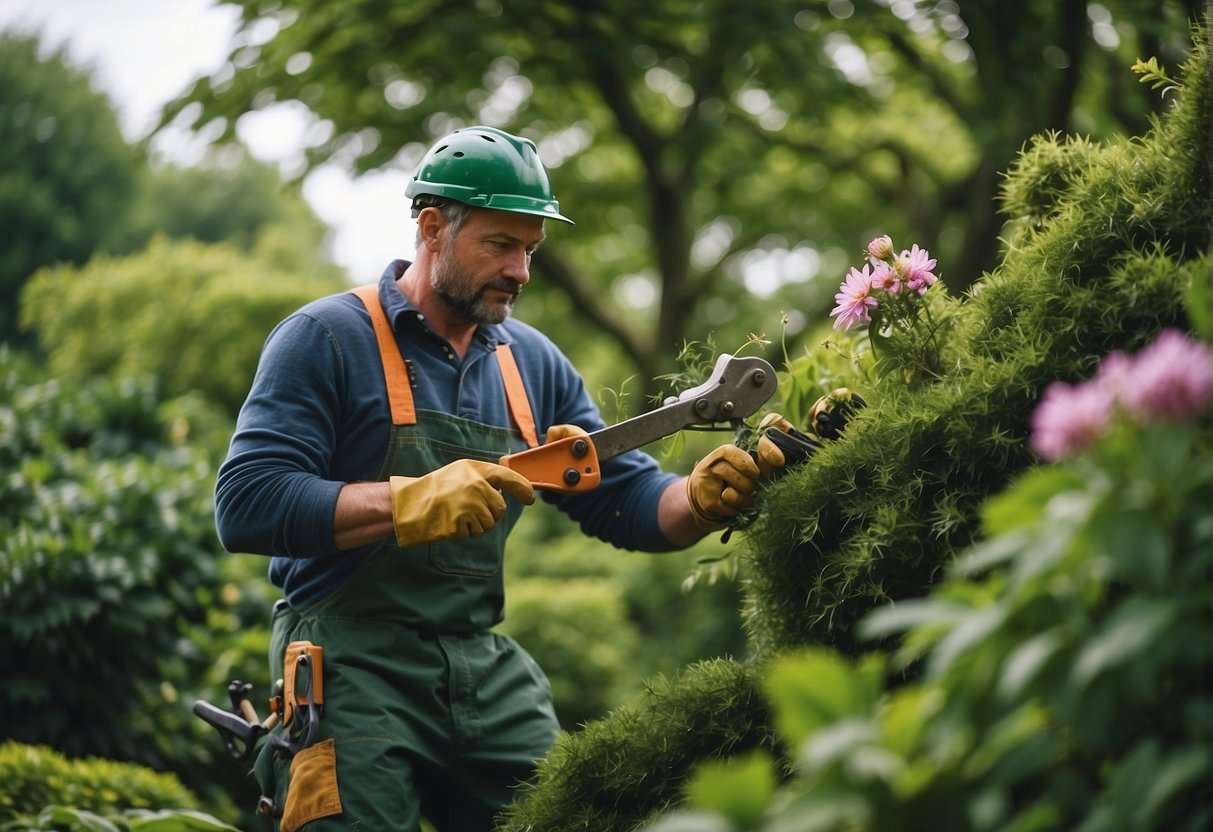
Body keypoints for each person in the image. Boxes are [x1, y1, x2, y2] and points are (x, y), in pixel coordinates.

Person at [215, 125, 785, 832]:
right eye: (501, 245)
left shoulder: (531, 362)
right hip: (349, 659)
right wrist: (409, 499)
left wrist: (696, 501)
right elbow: (245, 503)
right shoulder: (327, 338)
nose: (521, 270)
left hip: (479, 663)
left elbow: (624, 500)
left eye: (530, 250)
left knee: (567, 815)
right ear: (431, 229)